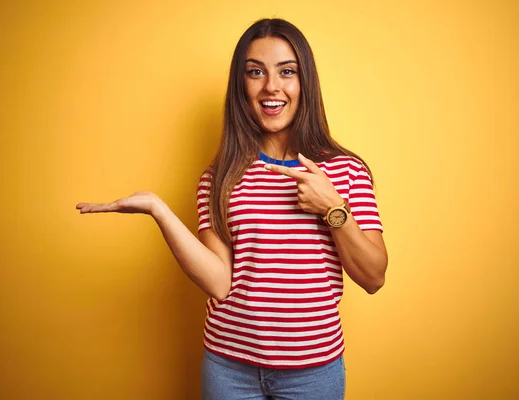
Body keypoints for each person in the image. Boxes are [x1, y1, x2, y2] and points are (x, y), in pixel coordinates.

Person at [76, 18, 387, 400]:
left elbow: (373, 277)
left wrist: (333, 207)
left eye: (286, 72)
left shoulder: (345, 171)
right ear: (241, 86)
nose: (271, 86)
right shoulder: (219, 177)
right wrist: (158, 210)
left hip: (313, 371)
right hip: (229, 369)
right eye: (255, 72)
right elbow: (220, 283)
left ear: (305, 82)